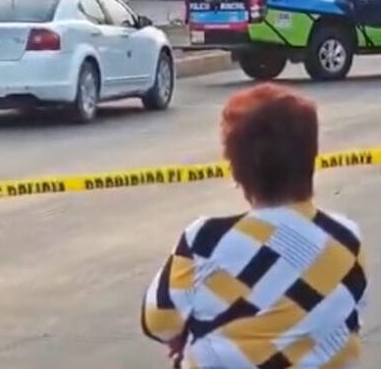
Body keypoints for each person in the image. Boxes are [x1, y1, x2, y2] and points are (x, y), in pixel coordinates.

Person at [140, 84, 367, 369]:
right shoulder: (347, 239)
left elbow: (158, 321)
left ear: (237, 169)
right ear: (311, 159)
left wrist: (188, 334)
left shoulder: (205, 241)